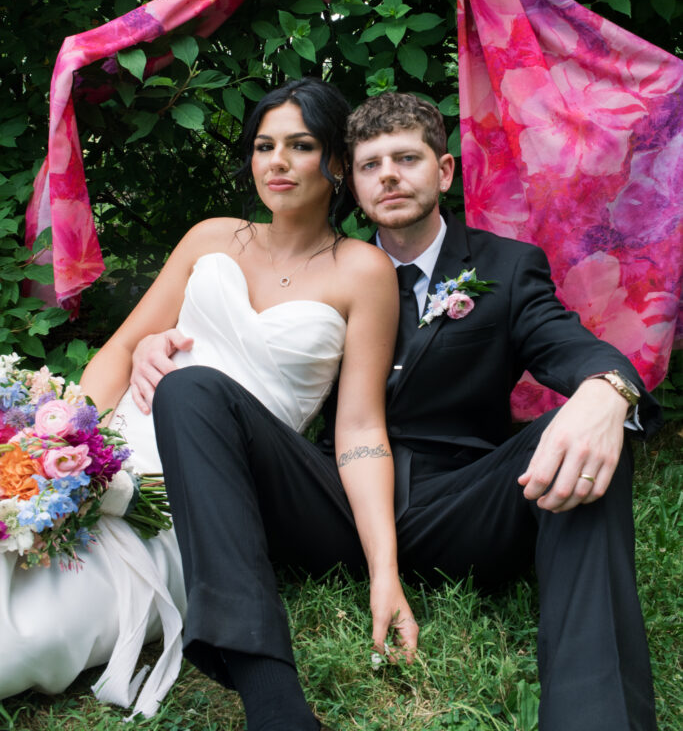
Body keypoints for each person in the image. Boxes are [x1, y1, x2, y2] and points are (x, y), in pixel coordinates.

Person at [141, 92, 662, 731]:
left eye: (407, 158)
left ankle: (593, 718)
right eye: (369, 164)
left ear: (443, 171)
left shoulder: (504, 267)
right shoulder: (329, 267)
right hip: (336, 503)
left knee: (582, 436)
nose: (388, 175)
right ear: (349, 183)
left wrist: (608, 389)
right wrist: (153, 338)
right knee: (192, 387)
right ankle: (272, 702)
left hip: (463, 506)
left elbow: (568, 344)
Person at [0, 78, 416, 727]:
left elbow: (361, 425)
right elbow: (119, 351)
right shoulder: (211, 238)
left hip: (213, 487)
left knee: (42, 625)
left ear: (336, 161)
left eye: (299, 145)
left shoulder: (362, 270)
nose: (275, 162)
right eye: (262, 145)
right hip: (122, 436)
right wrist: (58, 440)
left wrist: (382, 571)